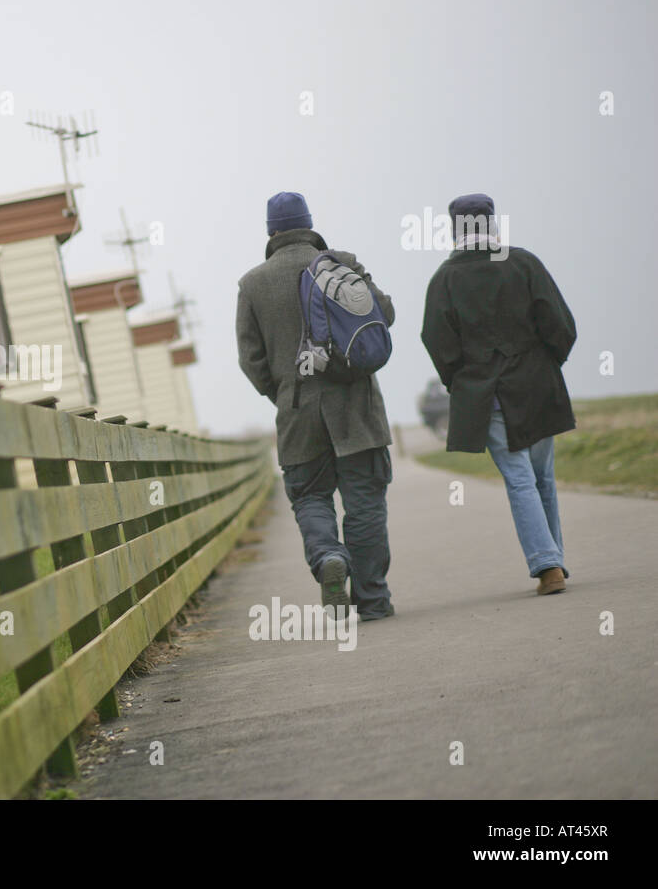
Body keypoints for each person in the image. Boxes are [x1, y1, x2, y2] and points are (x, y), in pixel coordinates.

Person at [236, 192, 396, 620]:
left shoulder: (252, 284)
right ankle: (374, 599)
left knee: (310, 496)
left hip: (297, 410)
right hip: (357, 407)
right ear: (310, 223)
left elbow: (251, 361)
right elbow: (385, 314)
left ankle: (328, 556)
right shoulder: (341, 263)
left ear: (271, 232)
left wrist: (285, 393)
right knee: (364, 501)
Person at [422, 193, 577, 595]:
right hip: (536, 386)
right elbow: (560, 324)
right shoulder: (524, 262)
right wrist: (545, 365)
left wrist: (464, 383)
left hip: (486, 393)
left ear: (455, 228)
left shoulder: (444, 279)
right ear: (492, 223)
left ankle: (548, 565)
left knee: (520, 479)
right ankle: (552, 559)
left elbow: (437, 343)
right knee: (542, 476)